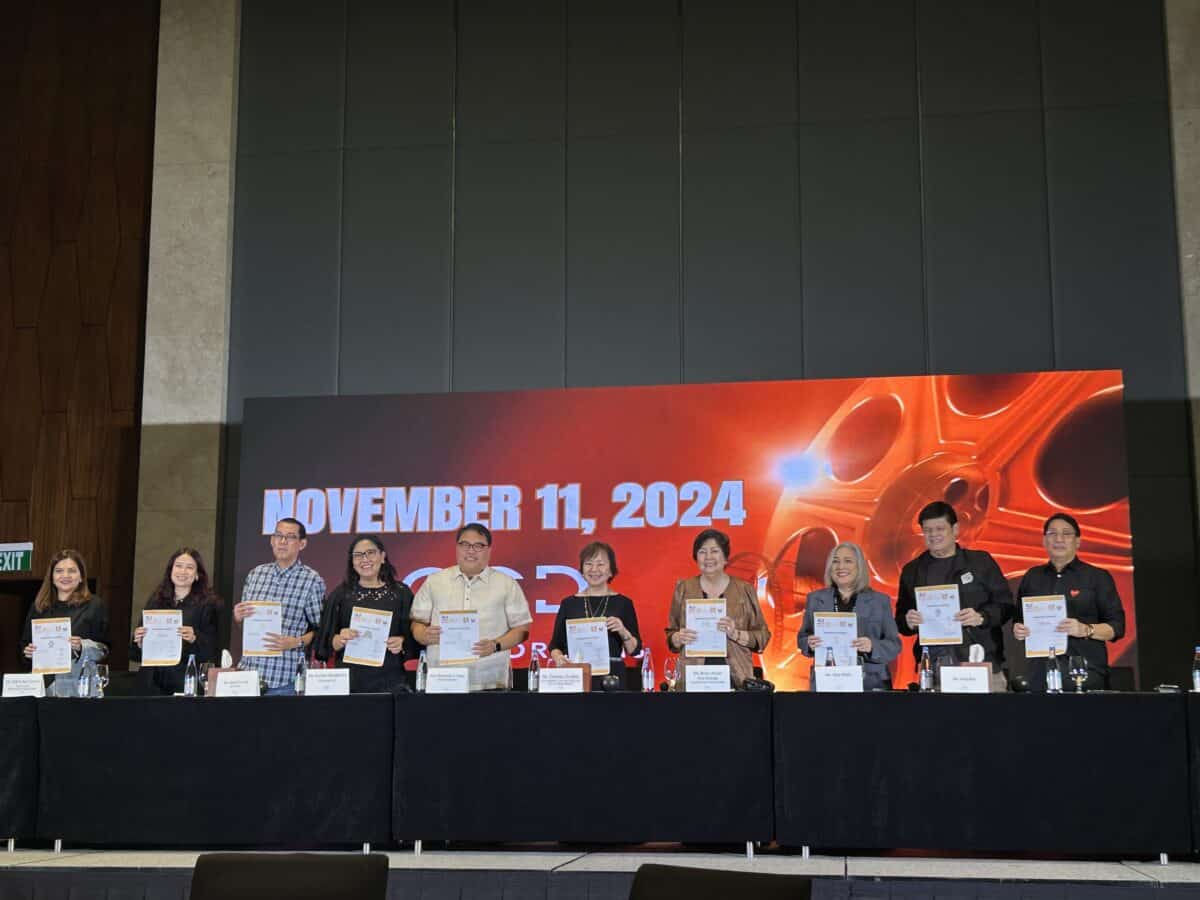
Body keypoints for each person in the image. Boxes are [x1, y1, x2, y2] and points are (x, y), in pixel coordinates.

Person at [895, 501, 1014, 691]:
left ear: (955, 529)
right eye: (927, 530)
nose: (933, 535)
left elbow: (1007, 606)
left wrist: (982, 617)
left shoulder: (980, 562)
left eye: (940, 528)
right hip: (933, 667)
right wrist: (908, 621)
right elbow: (901, 620)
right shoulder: (912, 571)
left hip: (981, 660)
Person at [411, 523, 532, 691]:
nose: (471, 550)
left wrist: (495, 645)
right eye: (465, 544)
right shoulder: (435, 581)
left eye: (479, 546)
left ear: (489, 550)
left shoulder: (506, 584)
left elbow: (522, 630)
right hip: (442, 679)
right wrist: (422, 634)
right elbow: (417, 622)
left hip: (490, 680)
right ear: (457, 547)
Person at [1012, 513, 1125, 691]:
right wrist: (1018, 629)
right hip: (1040, 673)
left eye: (1066, 534)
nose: (1059, 539)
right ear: (1044, 541)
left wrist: (1086, 629)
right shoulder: (1032, 577)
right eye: (1052, 533)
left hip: (1085, 671)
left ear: (1078, 542)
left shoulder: (1097, 577)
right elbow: (1019, 619)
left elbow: (1117, 627)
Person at [665, 528, 770, 689]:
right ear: (696, 557)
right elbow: (671, 635)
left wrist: (736, 634)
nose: (708, 557)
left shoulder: (744, 590)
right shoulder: (684, 588)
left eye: (714, 551)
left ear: (725, 557)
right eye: (702, 552)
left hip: (736, 676)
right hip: (693, 677)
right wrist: (677, 638)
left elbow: (762, 637)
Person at [233, 517, 325, 695]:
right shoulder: (255, 574)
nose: (282, 541)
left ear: (302, 544)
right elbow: (245, 628)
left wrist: (296, 642)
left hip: (286, 680)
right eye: (278, 535)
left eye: (290, 537)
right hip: (249, 675)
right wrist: (238, 617)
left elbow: (321, 630)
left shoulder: (312, 580)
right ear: (271, 540)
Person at [314, 534, 413, 693]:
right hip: (350, 682)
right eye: (358, 555)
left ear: (382, 557)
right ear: (352, 562)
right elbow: (324, 642)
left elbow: (415, 636)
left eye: (370, 553)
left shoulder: (401, 594)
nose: (364, 559)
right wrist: (338, 639)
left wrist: (402, 641)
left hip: (391, 680)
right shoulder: (340, 595)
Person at [797, 541, 900, 691]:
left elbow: (894, 645)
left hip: (870, 683)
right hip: (827, 680)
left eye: (848, 561)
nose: (841, 567)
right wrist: (809, 643)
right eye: (835, 562)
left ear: (859, 567)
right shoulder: (815, 599)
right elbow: (802, 638)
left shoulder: (880, 601)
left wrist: (872, 646)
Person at [548, 542, 642, 689]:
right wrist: (559, 658)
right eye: (589, 564)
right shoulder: (568, 603)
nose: (594, 570)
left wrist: (623, 631)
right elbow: (555, 645)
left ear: (611, 570)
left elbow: (634, 650)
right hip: (576, 676)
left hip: (612, 678)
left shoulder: (623, 603)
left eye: (600, 564)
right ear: (582, 569)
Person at [130, 547, 220, 695]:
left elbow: (212, 652)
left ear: (197, 575)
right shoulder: (156, 601)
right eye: (178, 566)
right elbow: (134, 655)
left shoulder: (208, 605)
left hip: (184, 683)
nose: (182, 572)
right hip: (150, 683)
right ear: (170, 570)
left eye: (189, 567)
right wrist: (138, 642)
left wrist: (194, 638)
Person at [21, 549, 109, 695]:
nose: (65, 576)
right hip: (42, 688)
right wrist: (28, 652)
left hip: (79, 689)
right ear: (52, 576)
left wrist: (82, 646)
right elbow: (23, 646)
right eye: (59, 571)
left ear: (81, 576)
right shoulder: (39, 606)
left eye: (72, 571)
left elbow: (105, 649)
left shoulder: (95, 605)